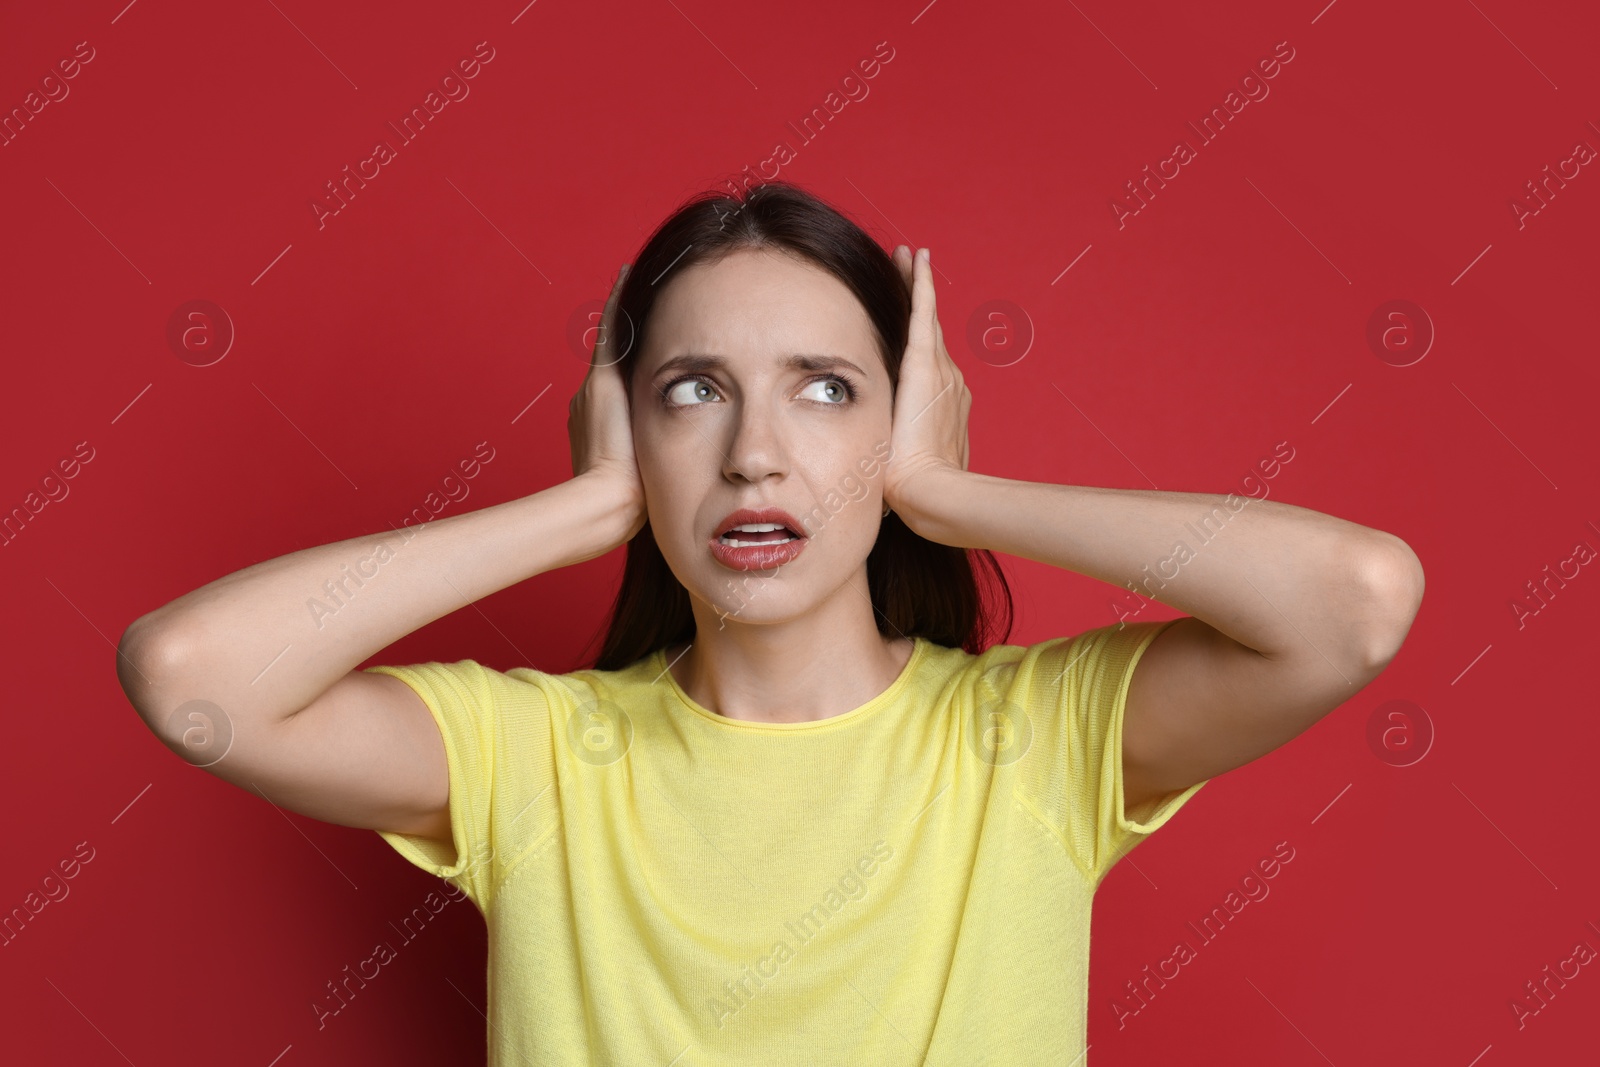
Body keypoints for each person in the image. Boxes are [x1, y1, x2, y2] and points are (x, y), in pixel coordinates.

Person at [116, 181, 1424, 1065]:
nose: (755, 454)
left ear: (900, 422)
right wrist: (583, 511)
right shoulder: (538, 759)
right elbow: (193, 679)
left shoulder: (1030, 739)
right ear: (633, 431)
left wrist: (948, 493)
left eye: (827, 391)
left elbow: (1355, 604)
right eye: (693, 391)